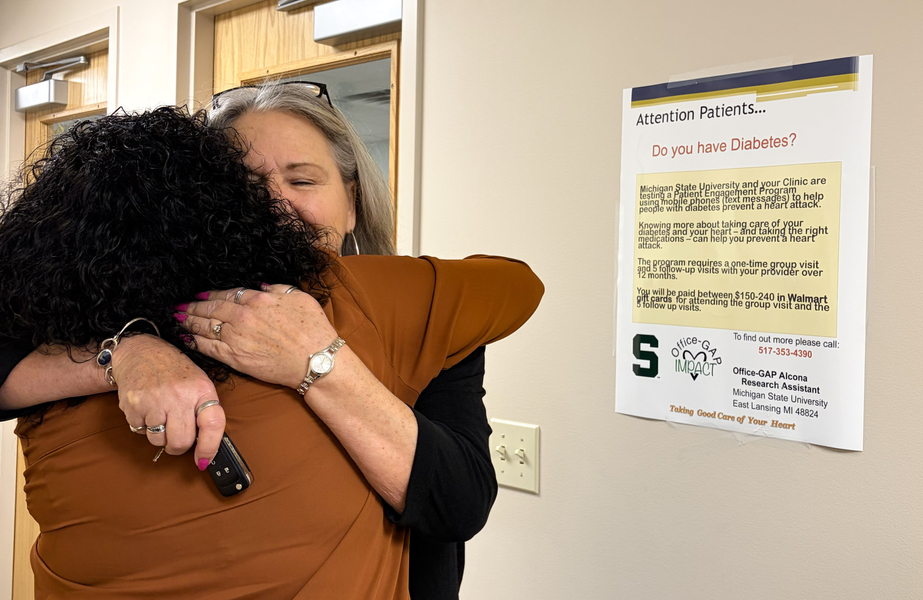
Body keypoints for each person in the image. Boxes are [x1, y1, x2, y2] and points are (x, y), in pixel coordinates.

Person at [0, 107, 542, 598]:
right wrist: (126, 351)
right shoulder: (111, 307)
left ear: (353, 204)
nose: (277, 204)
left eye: (302, 179)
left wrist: (316, 359)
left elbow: (458, 503)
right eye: (244, 185)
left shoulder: (410, 315)